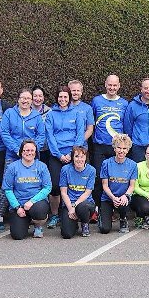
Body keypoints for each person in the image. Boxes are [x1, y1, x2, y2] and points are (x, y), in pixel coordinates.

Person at [46, 86, 93, 228]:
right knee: (55, 187)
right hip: (57, 155)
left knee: (74, 186)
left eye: (65, 97)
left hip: (73, 155)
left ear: (69, 98)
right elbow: (50, 136)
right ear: (57, 98)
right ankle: (55, 215)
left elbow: (80, 135)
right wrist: (59, 155)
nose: (63, 99)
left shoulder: (77, 113)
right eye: (60, 97)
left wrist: (72, 154)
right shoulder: (51, 114)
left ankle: (77, 212)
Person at [2, 140, 52, 239]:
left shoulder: (42, 166)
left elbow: (47, 188)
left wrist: (32, 201)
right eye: (26, 150)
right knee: (17, 235)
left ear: (36, 152)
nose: (29, 153)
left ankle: (38, 225)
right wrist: (17, 207)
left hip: (36, 203)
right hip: (19, 205)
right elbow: (8, 189)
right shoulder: (12, 167)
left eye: (32, 150)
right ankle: (26, 221)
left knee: (39, 211)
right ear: (21, 152)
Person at [100, 135, 142, 233]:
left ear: (128, 150)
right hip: (108, 198)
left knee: (124, 201)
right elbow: (105, 185)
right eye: (119, 147)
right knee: (104, 229)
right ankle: (102, 216)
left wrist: (125, 196)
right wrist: (113, 198)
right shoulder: (106, 163)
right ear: (114, 148)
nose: (121, 151)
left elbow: (132, 186)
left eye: (124, 148)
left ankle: (123, 218)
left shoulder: (133, 165)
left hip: (123, 198)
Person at [58, 146, 97, 238]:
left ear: (86, 158)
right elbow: (63, 192)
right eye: (76, 156)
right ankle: (74, 224)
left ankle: (85, 223)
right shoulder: (65, 169)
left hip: (85, 203)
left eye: (82, 157)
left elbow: (87, 192)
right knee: (66, 234)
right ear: (72, 158)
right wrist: (70, 208)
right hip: (69, 203)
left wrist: (74, 205)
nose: (79, 159)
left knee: (83, 207)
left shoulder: (91, 170)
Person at [91, 75, 128, 173]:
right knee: (99, 175)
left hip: (117, 146)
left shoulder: (124, 103)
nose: (112, 88)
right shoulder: (96, 101)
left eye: (115, 85)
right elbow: (91, 122)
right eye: (110, 85)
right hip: (99, 145)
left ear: (119, 86)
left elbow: (126, 124)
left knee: (115, 175)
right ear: (105, 85)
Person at [0, 88, 48, 162]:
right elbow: (4, 133)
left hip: (31, 156)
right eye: (23, 98)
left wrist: (32, 150)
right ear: (18, 99)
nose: (25, 101)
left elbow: (41, 135)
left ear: (31, 101)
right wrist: (17, 150)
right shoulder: (9, 113)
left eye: (28, 98)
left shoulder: (37, 116)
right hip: (12, 156)